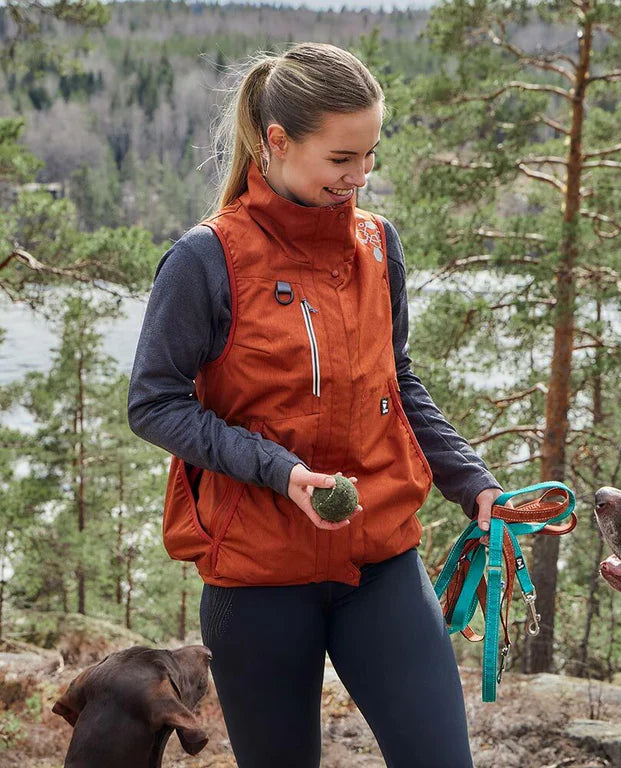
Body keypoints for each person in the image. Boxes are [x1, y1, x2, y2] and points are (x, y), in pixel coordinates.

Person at [128, 42, 505, 768]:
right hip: (258, 579)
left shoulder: (377, 242)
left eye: (369, 155)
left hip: (381, 562)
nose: (360, 176)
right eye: (341, 159)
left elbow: (398, 379)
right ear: (277, 141)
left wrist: (473, 483)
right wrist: (278, 470)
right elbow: (154, 404)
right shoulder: (204, 260)